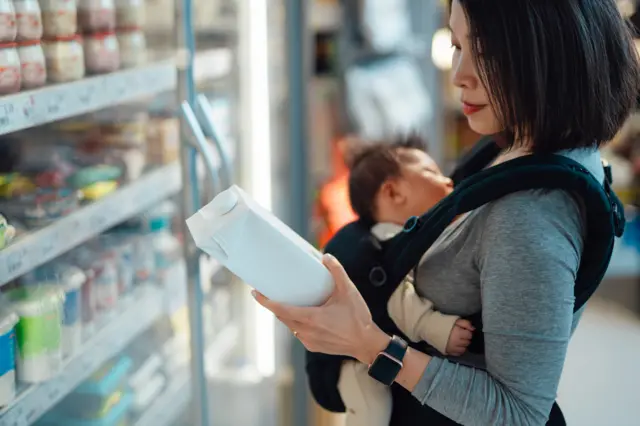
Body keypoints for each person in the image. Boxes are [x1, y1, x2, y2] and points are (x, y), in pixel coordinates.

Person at [255, 1, 640, 425]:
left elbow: (520, 413)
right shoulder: (519, 143)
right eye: (457, 45)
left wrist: (367, 343)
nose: (459, 74)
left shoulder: (529, 216)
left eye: (487, 53)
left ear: (552, 51)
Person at [333, 137, 475, 426]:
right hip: (357, 365)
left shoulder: (404, 239)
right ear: (394, 192)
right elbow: (398, 300)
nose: (447, 180)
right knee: (371, 412)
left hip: (381, 351)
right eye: (431, 172)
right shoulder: (383, 243)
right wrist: (436, 327)